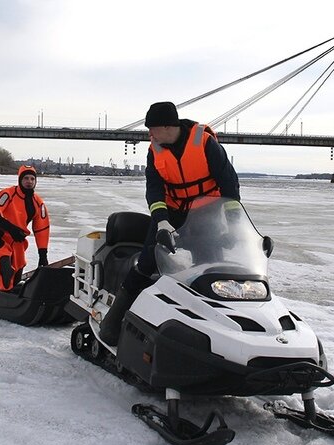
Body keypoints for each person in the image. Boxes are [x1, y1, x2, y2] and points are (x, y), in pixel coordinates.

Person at [99, 101, 241, 345]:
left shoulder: (206, 144)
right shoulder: (154, 149)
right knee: (146, 262)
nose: (149, 134)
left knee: (210, 265)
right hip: (170, 211)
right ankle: (114, 321)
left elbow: (229, 184)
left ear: (167, 126)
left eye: (152, 128)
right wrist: (162, 222)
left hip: (204, 212)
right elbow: (154, 189)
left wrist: (235, 224)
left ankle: (217, 331)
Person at [0, 165, 50, 291]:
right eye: (26, 178)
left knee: (15, 279)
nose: (29, 182)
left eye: (32, 179)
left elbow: (42, 229)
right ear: (20, 180)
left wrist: (43, 255)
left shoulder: (38, 202)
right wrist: (12, 229)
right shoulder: (7, 194)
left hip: (17, 240)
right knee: (6, 270)